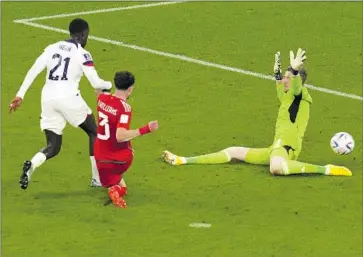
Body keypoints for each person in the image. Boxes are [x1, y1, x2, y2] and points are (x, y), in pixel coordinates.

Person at [163, 48, 352, 177]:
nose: (285, 81)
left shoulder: (301, 94)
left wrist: (294, 70)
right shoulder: (287, 96)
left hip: (287, 148)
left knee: (276, 167)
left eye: (288, 78)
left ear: (297, 81)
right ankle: (182, 160)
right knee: (233, 151)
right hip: (274, 148)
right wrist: (277, 73)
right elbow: (281, 87)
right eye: (285, 78)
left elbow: (294, 86)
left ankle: (326, 169)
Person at [9, 18, 112, 190]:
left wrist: (20, 95)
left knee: (53, 146)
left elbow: (34, 69)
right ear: (82, 34)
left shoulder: (52, 47)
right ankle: (97, 179)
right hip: (69, 97)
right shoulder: (82, 53)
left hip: (48, 99)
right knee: (94, 132)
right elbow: (96, 83)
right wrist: (109, 85)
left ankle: (32, 165)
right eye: (87, 35)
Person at [94, 71, 158, 208]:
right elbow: (120, 135)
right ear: (130, 89)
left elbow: (97, 89)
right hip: (117, 160)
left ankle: (114, 186)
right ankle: (116, 189)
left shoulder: (101, 98)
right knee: (128, 148)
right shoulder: (125, 108)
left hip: (99, 158)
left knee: (117, 182)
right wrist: (146, 129)